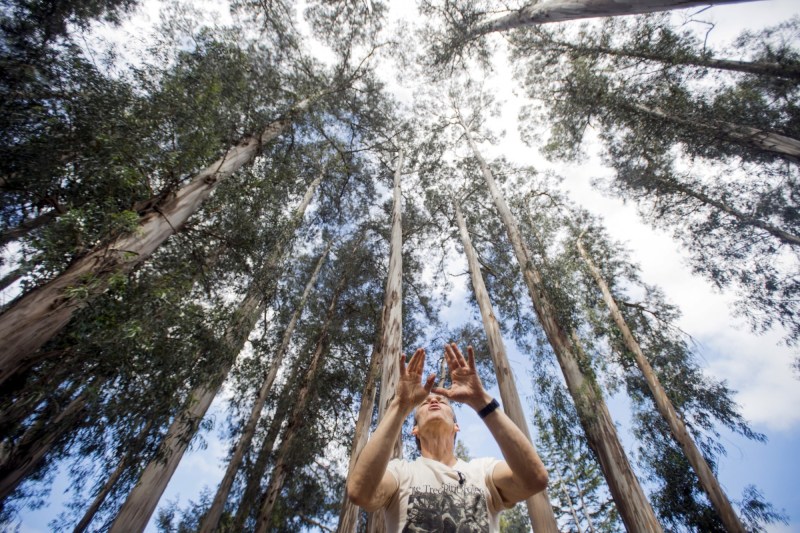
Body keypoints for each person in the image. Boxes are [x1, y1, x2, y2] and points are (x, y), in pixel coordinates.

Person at [347, 343, 548, 532]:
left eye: (442, 402)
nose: (433, 400)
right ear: (414, 430)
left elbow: (534, 479)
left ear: (456, 426)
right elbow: (360, 492)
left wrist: (480, 400)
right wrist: (400, 405)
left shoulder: (483, 472)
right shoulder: (400, 472)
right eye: (425, 404)